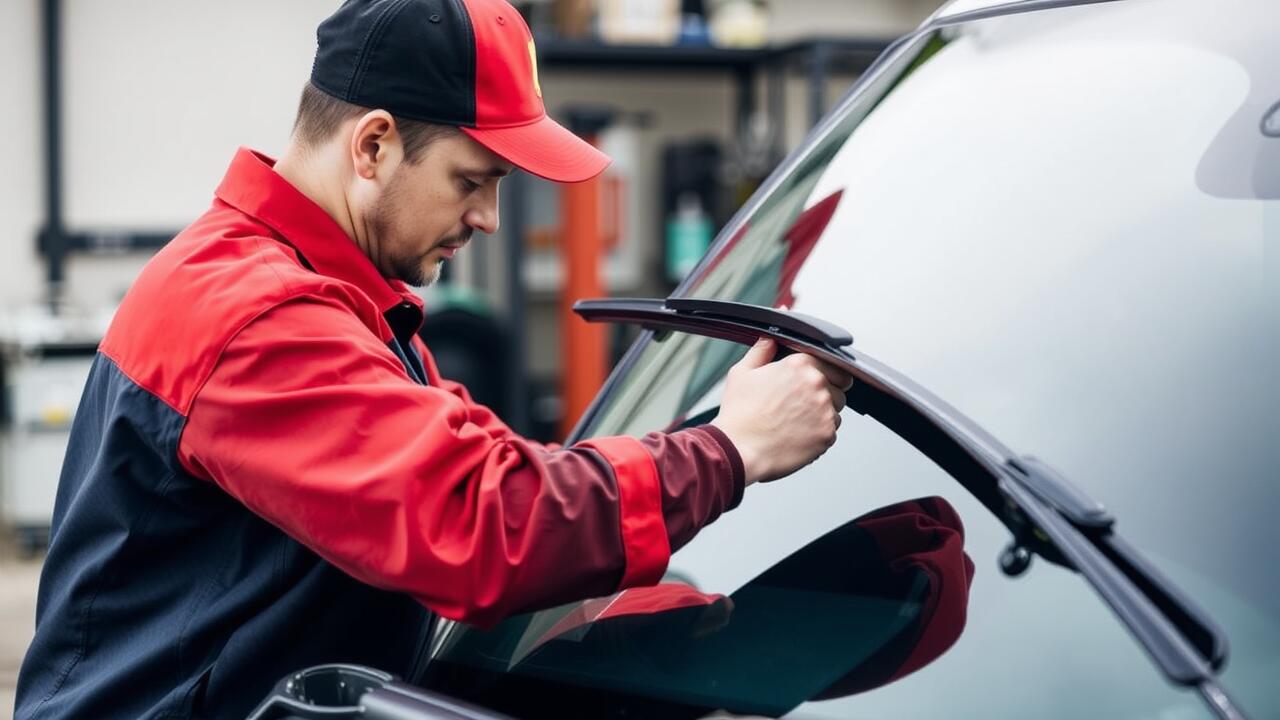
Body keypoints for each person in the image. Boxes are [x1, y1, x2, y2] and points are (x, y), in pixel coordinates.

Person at [14, 0, 853, 717]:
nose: (488, 217)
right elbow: (481, 523)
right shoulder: (258, 318)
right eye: (471, 180)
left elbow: (489, 470)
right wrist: (728, 451)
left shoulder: (339, 296)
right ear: (373, 146)